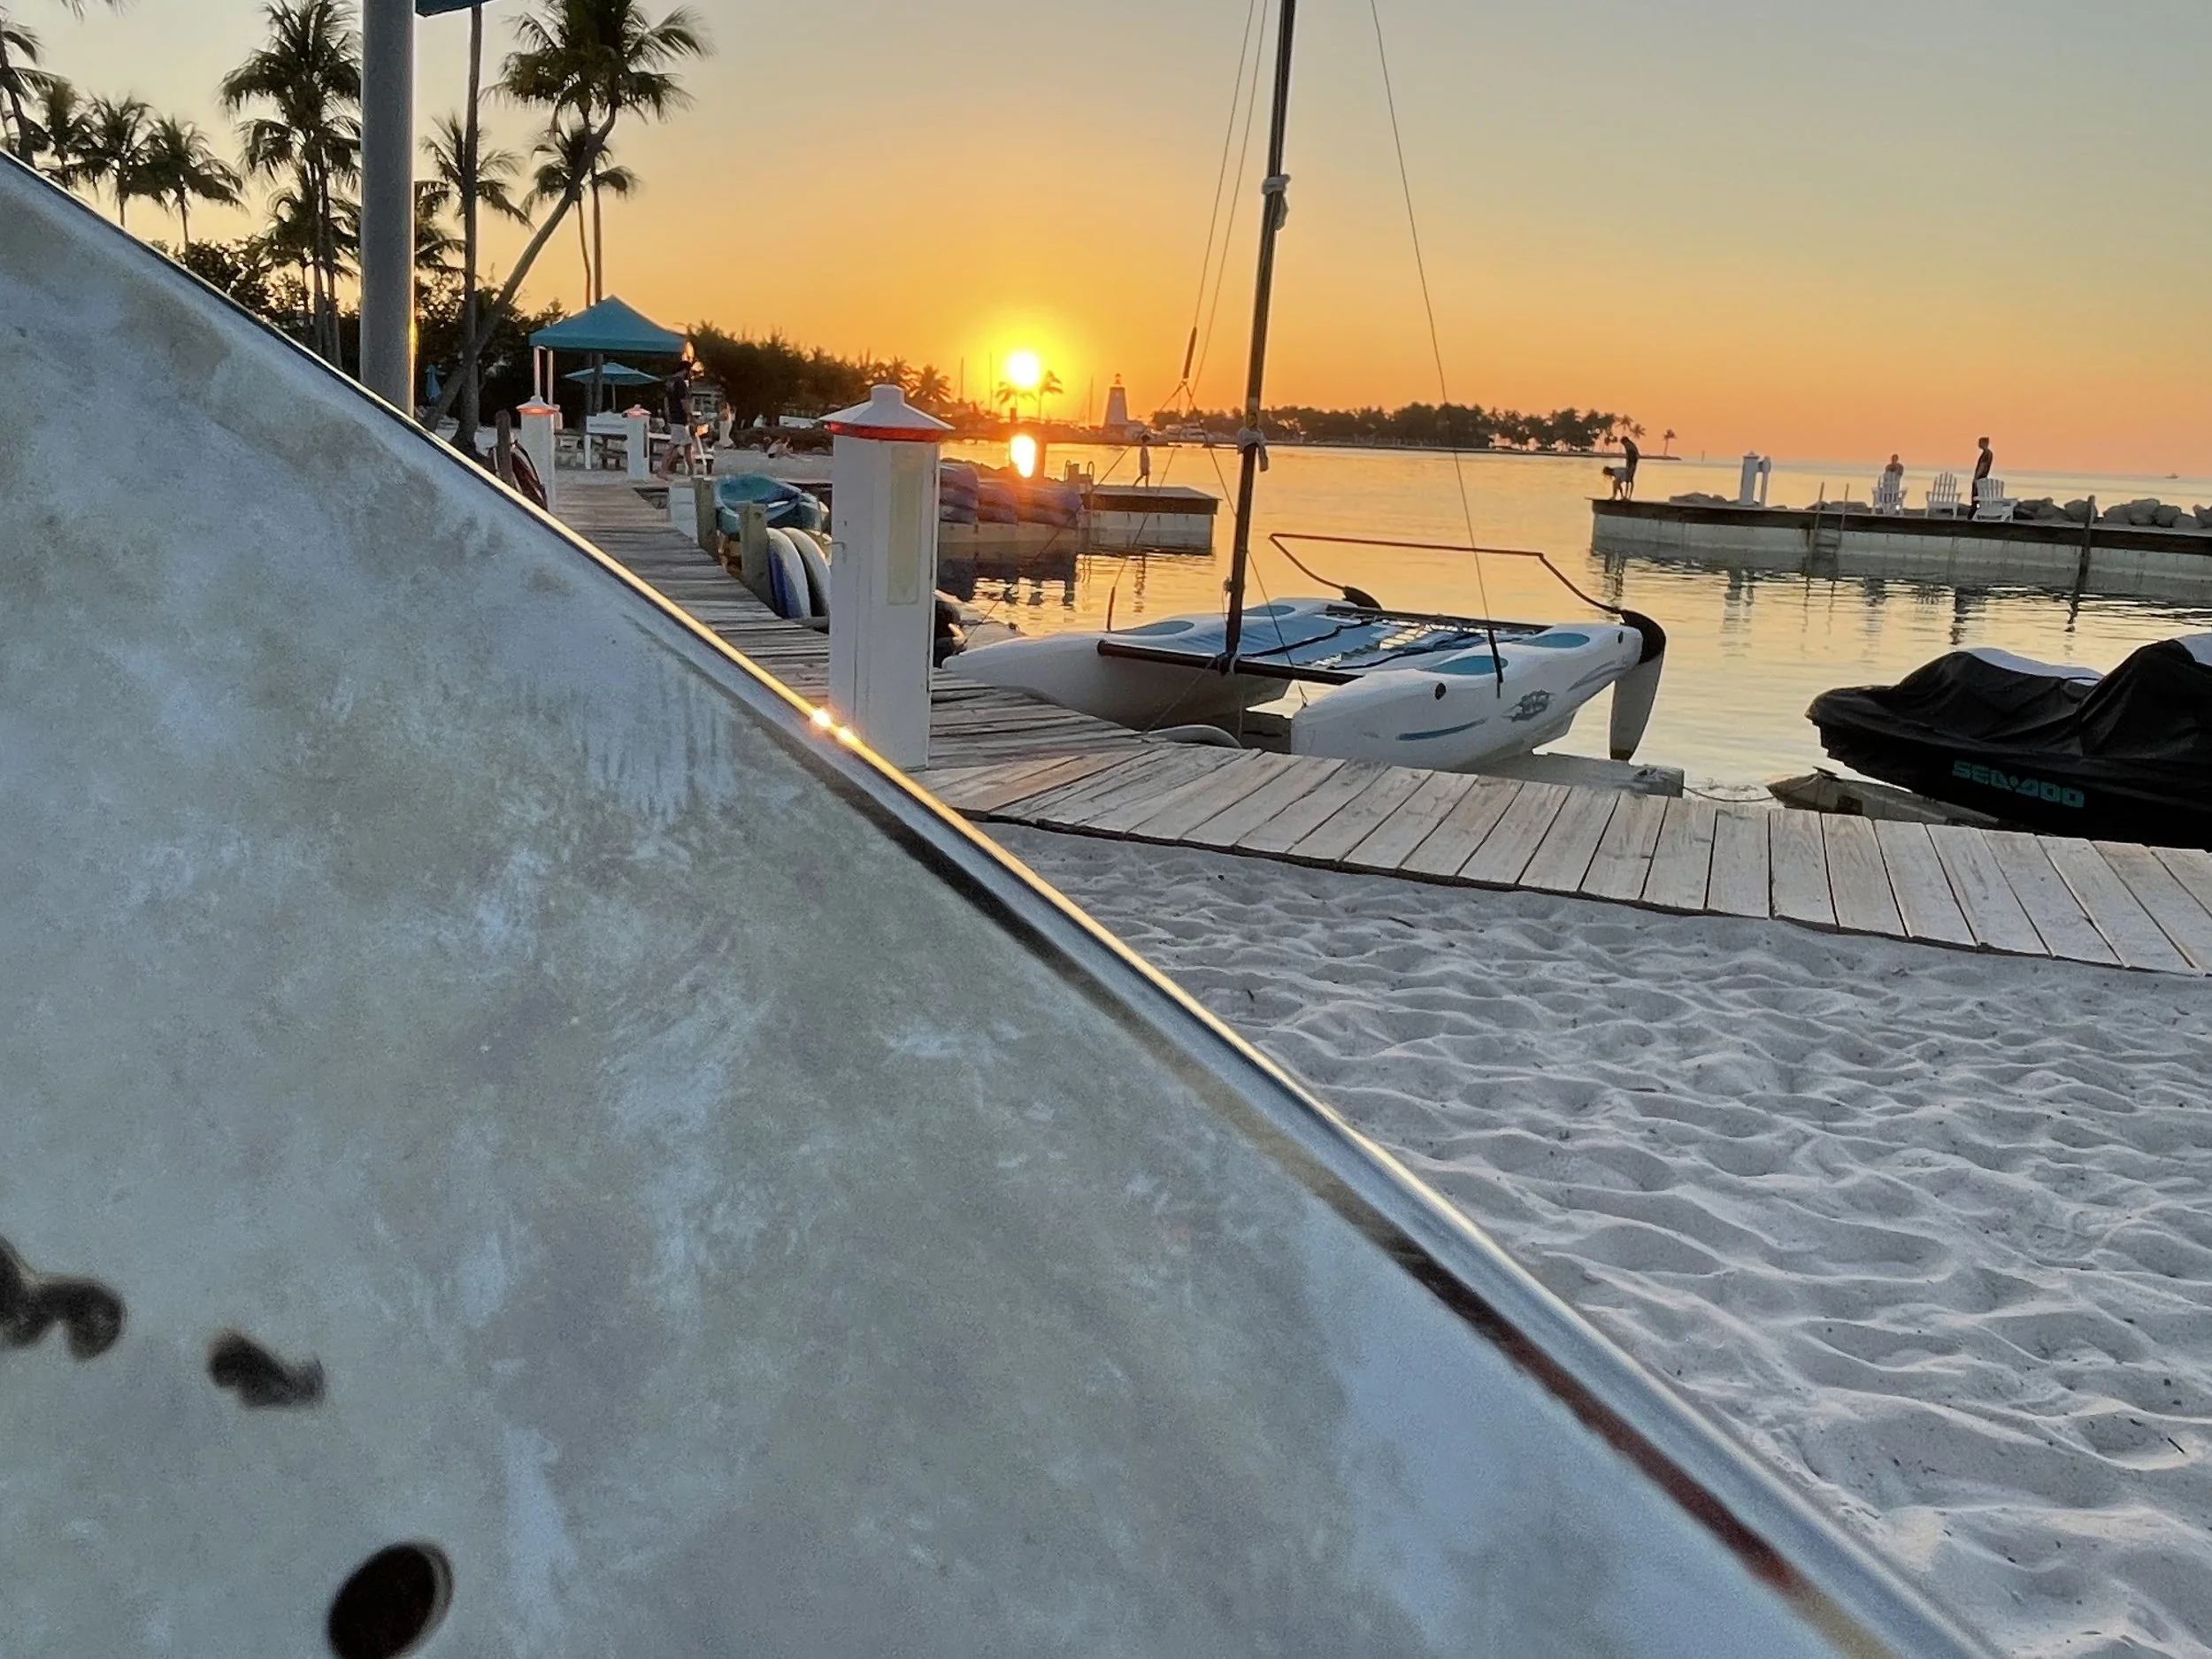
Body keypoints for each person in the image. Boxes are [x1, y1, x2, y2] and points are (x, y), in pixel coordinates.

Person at [655, 358, 695, 479]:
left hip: (673, 417)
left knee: (688, 446)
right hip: (680, 419)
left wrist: (668, 416)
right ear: (685, 370)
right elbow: (684, 402)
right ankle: (663, 470)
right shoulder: (680, 383)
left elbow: (666, 401)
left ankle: (693, 472)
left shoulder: (669, 382)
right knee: (673, 445)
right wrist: (690, 415)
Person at [1972, 436, 1994, 504]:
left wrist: (1976, 478)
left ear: (1984, 443)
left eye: (1980, 442)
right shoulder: (1988, 453)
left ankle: (1975, 510)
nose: (1978, 444)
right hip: (1983, 477)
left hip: (1980, 477)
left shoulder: (1986, 454)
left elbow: (1982, 466)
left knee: (1976, 495)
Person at [1618, 433, 1640, 499]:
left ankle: (1628, 496)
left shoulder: (1629, 446)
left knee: (1629, 480)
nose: (1624, 445)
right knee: (1629, 480)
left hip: (1632, 464)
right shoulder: (1631, 446)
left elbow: (1633, 457)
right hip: (1631, 464)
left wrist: (1631, 466)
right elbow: (1631, 457)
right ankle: (1626, 496)